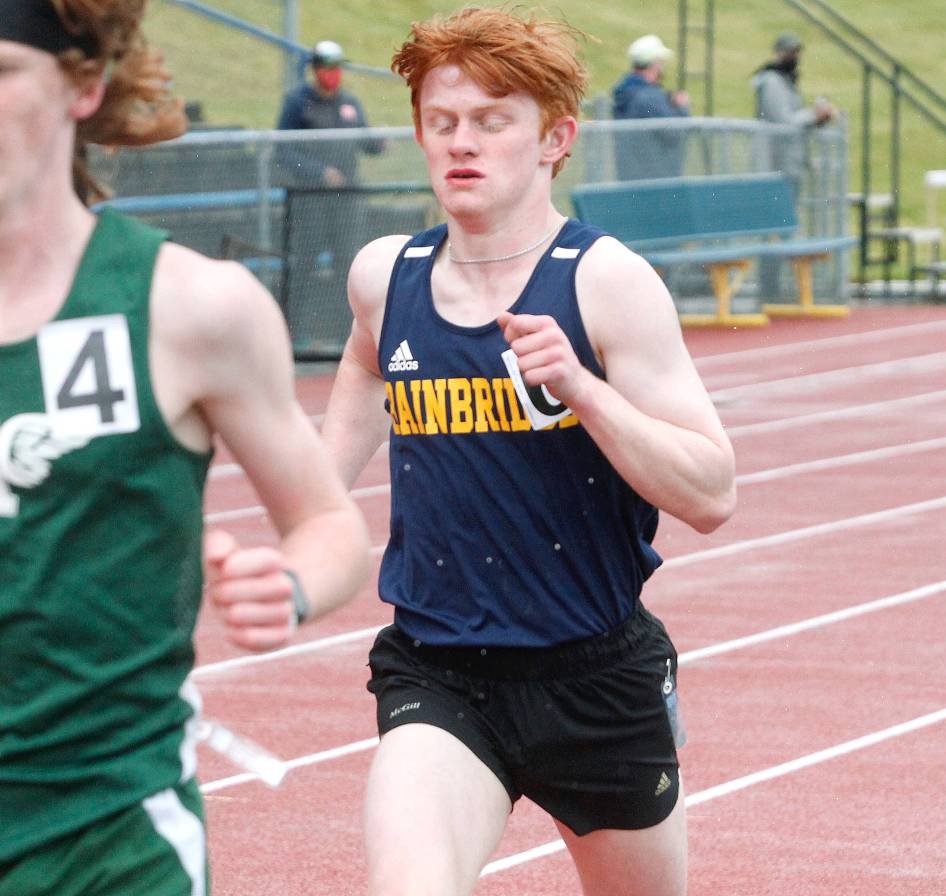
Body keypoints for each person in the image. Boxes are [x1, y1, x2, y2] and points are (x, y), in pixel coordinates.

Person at [320, 8, 736, 895]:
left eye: (492, 121)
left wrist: (584, 390)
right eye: (442, 122)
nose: (461, 143)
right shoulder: (383, 276)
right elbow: (365, 369)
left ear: (555, 138)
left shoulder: (605, 281)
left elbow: (711, 491)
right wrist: (314, 502)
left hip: (593, 674)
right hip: (438, 669)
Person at [0, 3, 371, 894]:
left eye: (1, 72)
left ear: (83, 86)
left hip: (103, 839)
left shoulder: (189, 307)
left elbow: (330, 525)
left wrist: (283, 586)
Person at [752, 32, 838, 297]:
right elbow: (783, 121)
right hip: (776, 168)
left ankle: (777, 288)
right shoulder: (772, 81)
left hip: (790, 167)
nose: (794, 58)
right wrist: (813, 115)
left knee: (785, 228)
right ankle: (770, 289)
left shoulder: (786, 81)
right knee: (775, 229)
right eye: (790, 52)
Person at [275, 39, 386, 187]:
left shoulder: (349, 102)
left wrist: (381, 142)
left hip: (348, 189)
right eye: (327, 66)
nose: (333, 72)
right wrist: (319, 172)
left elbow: (365, 142)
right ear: (315, 69)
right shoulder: (297, 102)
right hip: (309, 193)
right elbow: (283, 151)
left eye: (336, 66)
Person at [611, 34, 691, 181]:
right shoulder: (649, 97)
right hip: (655, 181)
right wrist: (681, 108)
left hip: (629, 177)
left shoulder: (625, 92)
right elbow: (674, 134)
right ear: (654, 63)